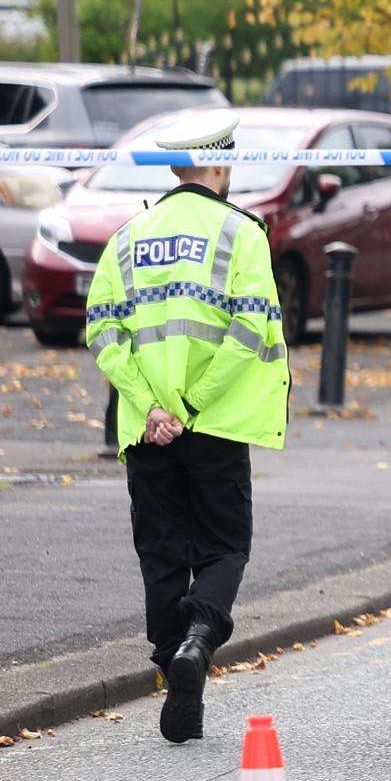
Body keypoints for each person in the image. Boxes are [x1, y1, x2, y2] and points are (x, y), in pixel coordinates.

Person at [84, 110, 290, 743]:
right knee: (227, 547)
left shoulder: (126, 238)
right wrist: (192, 405)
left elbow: (103, 330)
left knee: (163, 555)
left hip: (147, 433)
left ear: (176, 168)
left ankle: (179, 686)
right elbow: (249, 329)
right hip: (215, 426)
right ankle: (199, 640)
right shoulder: (242, 234)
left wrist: (151, 407)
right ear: (221, 165)